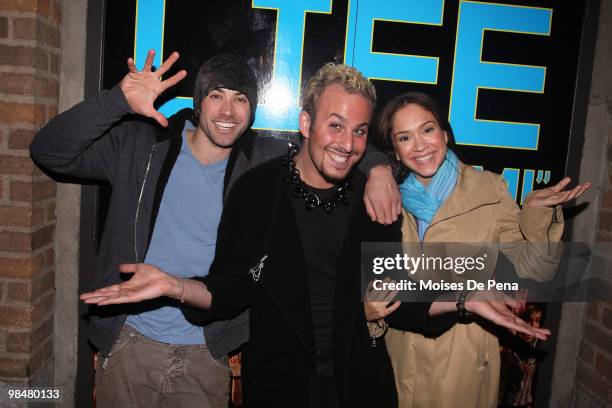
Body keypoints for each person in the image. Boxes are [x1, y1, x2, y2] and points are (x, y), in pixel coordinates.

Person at [80, 64, 551, 407]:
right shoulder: (257, 190)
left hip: (358, 384)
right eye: (335, 125)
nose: (347, 143)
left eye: (361, 131)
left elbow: (395, 295)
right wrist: (175, 285)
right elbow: (230, 288)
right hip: (282, 385)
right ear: (306, 124)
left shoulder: (374, 197)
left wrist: (464, 297)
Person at [29, 50, 401, 407]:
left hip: (209, 350)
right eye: (216, 95)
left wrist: (379, 166)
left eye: (240, 98)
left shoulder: (262, 163)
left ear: (252, 110)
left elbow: (333, 141)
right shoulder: (142, 146)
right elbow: (50, 151)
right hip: (131, 341)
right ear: (197, 101)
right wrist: (117, 101)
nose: (227, 110)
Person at [371, 91, 591, 408]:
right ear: (394, 149)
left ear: (445, 133)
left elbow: (533, 269)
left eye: (428, 129)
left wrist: (538, 214)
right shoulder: (386, 198)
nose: (420, 146)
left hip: (464, 358)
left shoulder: (489, 189)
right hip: (400, 356)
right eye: (405, 137)